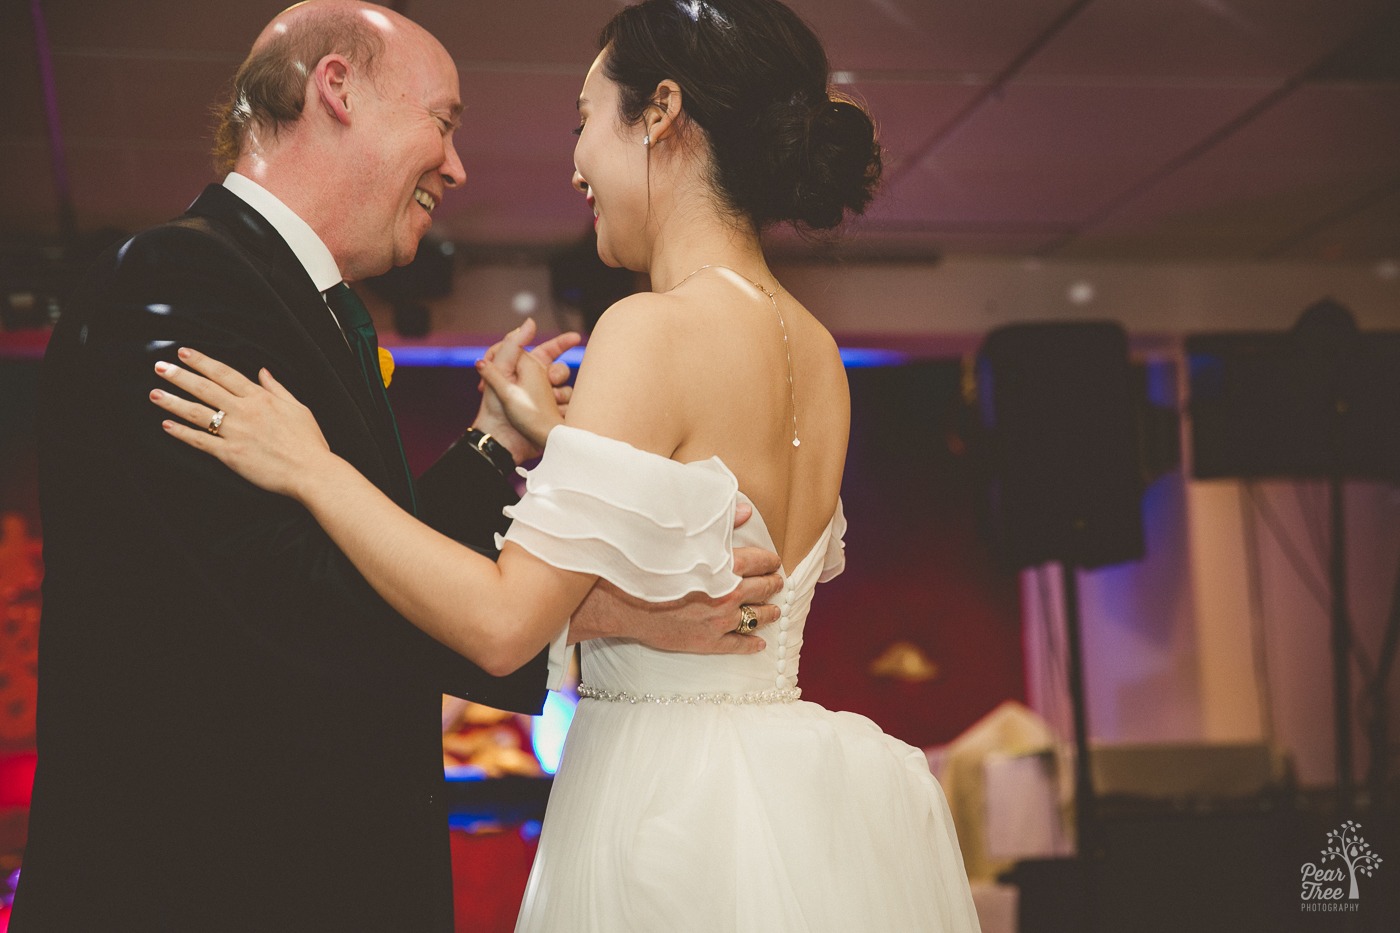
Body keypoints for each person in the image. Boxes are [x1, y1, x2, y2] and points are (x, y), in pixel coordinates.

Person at [147, 0, 981, 929]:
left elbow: (506, 625)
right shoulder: (820, 353)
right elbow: (693, 502)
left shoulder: (647, 330)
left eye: (585, 121)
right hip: (788, 798)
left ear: (660, 113)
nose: (576, 164)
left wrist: (310, 465)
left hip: (660, 799)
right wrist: (546, 436)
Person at [11, 2, 784, 930]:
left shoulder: (310, 303)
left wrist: (489, 443)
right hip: (204, 882)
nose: (457, 166)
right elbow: (279, 592)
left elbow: (375, 548)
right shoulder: (178, 280)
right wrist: (613, 617)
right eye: (444, 122)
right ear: (336, 89)